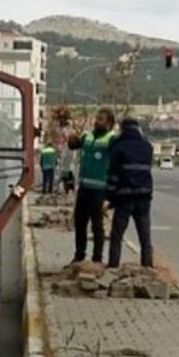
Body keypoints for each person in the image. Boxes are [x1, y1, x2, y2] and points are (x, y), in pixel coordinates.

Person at [67, 107, 116, 264]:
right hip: (84, 188)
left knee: (97, 226)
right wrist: (72, 138)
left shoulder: (112, 139)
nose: (96, 121)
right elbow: (74, 145)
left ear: (109, 123)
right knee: (80, 223)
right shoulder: (87, 136)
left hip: (99, 190)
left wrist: (111, 193)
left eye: (100, 119)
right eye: (96, 118)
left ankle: (97, 259)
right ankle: (79, 255)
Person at [106, 116, 154, 268]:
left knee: (117, 235)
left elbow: (113, 176)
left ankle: (113, 266)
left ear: (122, 129)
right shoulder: (148, 146)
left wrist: (109, 198)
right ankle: (148, 266)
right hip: (144, 197)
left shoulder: (118, 147)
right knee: (145, 236)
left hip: (125, 197)